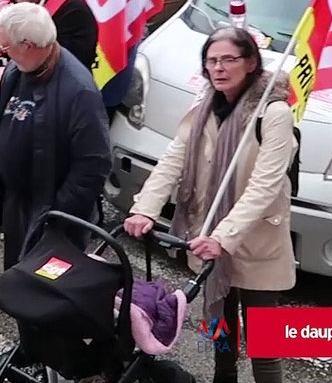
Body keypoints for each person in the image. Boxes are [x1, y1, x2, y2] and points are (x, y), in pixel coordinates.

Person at [124, 27, 296, 383]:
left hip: (257, 244)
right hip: (208, 241)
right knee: (218, 330)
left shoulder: (274, 113)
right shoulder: (204, 106)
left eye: (229, 59)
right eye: (211, 61)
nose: (218, 68)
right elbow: (174, 158)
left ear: (250, 63)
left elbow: (265, 185)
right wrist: (145, 208)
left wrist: (223, 236)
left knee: (265, 345)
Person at [0, 2, 111, 269]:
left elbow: (95, 163)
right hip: (18, 201)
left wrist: (57, 212)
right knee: (16, 273)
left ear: (28, 45)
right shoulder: (19, 67)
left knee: (46, 286)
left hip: (52, 213)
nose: (4, 53)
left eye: (7, 46)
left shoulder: (79, 91)